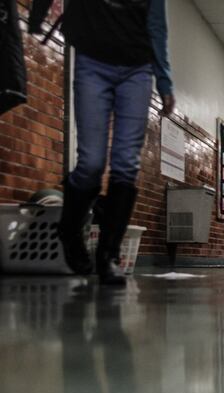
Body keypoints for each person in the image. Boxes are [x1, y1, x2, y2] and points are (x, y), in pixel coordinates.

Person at [43, 0, 175, 284]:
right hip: (93, 62)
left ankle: (109, 257)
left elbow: (157, 27)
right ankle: (69, 229)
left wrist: (164, 81)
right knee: (91, 163)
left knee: (126, 165)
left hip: (137, 69)